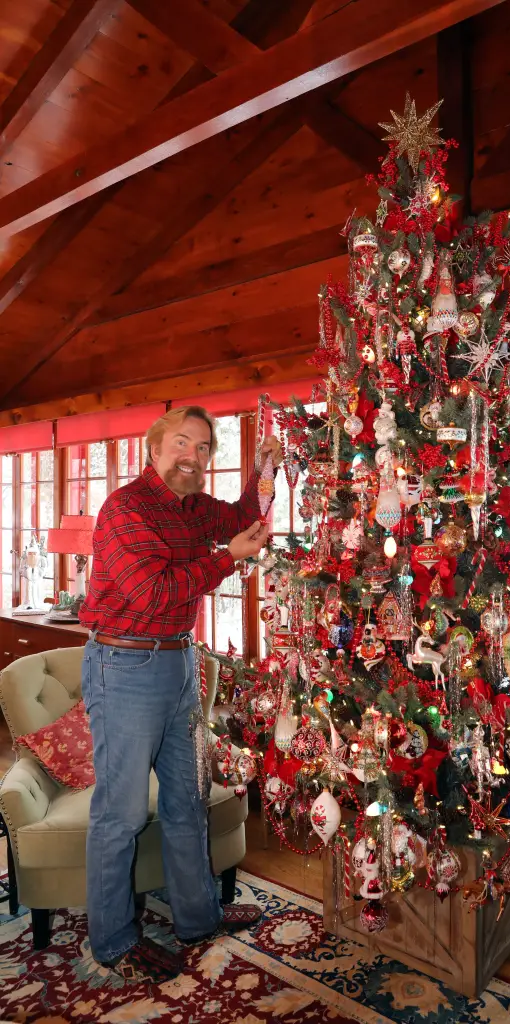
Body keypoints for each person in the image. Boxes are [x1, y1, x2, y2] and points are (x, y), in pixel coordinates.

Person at [79, 405, 281, 982]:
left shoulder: (196, 509)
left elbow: (247, 513)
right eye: (182, 444)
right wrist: (228, 559)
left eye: (203, 447)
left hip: (179, 664)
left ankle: (198, 919)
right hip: (123, 666)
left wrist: (265, 468)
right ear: (155, 449)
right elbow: (152, 592)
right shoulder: (124, 509)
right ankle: (113, 941)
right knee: (118, 814)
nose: (193, 456)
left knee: (186, 800)